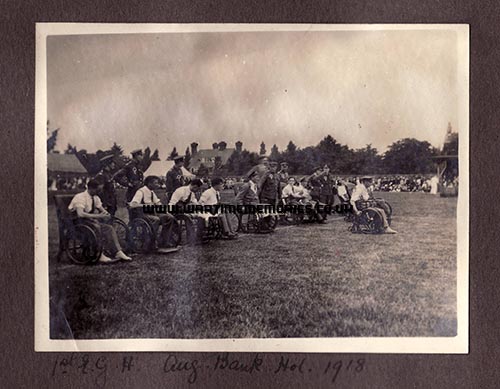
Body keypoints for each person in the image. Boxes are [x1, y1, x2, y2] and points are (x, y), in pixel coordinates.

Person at [68, 179, 132, 263]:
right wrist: (99, 216)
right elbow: (80, 214)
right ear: (91, 188)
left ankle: (118, 252)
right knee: (96, 226)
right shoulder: (80, 197)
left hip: (88, 222)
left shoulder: (95, 198)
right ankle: (99, 253)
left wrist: (107, 214)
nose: (100, 191)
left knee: (108, 228)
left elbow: (102, 210)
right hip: (77, 224)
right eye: (98, 190)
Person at [129, 175, 177, 250]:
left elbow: (158, 203)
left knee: (169, 218)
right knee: (156, 219)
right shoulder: (141, 191)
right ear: (149, 183)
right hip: (142, 214)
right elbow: (133, 204)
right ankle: (151, 242)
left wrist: (166, 212)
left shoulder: (151, 192)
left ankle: (164, 241)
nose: (157, 185)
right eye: (155, 183)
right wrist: (146, 206)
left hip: (151, 213)